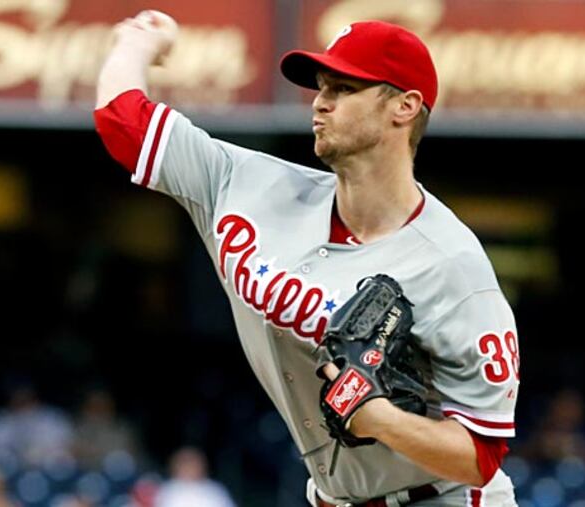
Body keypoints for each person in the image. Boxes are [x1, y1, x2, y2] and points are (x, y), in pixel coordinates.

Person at [94, 11, 520, 506]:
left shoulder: (454, 266)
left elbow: (481, 455)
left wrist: (381, 418)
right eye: (321, 87)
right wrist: (136, 43)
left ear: (404, 106)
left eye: (343, 88)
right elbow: (124, 123)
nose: (320, 103)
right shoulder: (250, 187)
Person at [154, 447, 235, 507]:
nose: (189, 468)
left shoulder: (214, 490)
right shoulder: (166, 490)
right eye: (184, 463)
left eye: (193, 463)